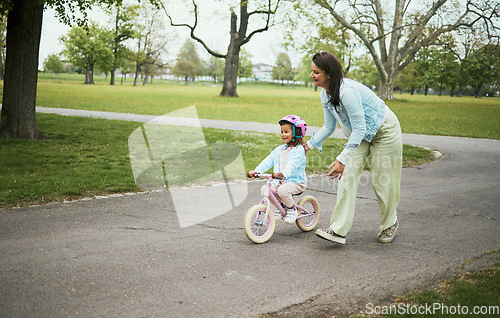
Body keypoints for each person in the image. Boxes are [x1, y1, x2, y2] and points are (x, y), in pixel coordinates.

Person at [306, 52, 403, 244]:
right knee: (347, 177)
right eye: (312, 71)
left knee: (381, 180)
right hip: (362, 134)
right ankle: (338, 230)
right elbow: (329, 126)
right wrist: (308, 146)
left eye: (316, 72)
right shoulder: (325, 94)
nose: (312, 75)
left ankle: (389, 223)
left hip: (384, 130)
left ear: (328, 73)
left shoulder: (346, 92)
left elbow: (359, 127)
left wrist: (342, 159)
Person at [248, 115, 308, 224]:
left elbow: (292, 165)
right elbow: (268, 161)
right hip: (280, 181)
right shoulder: (279, 150)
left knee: (282, 190)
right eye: (282, 132)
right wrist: (256, 171)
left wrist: (282, 174)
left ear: (297, 133)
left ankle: (292, 210)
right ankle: (282, 206)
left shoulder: (299, 151)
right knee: (265, 190)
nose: (283, 134)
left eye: (286, 132)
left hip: (296, 182)